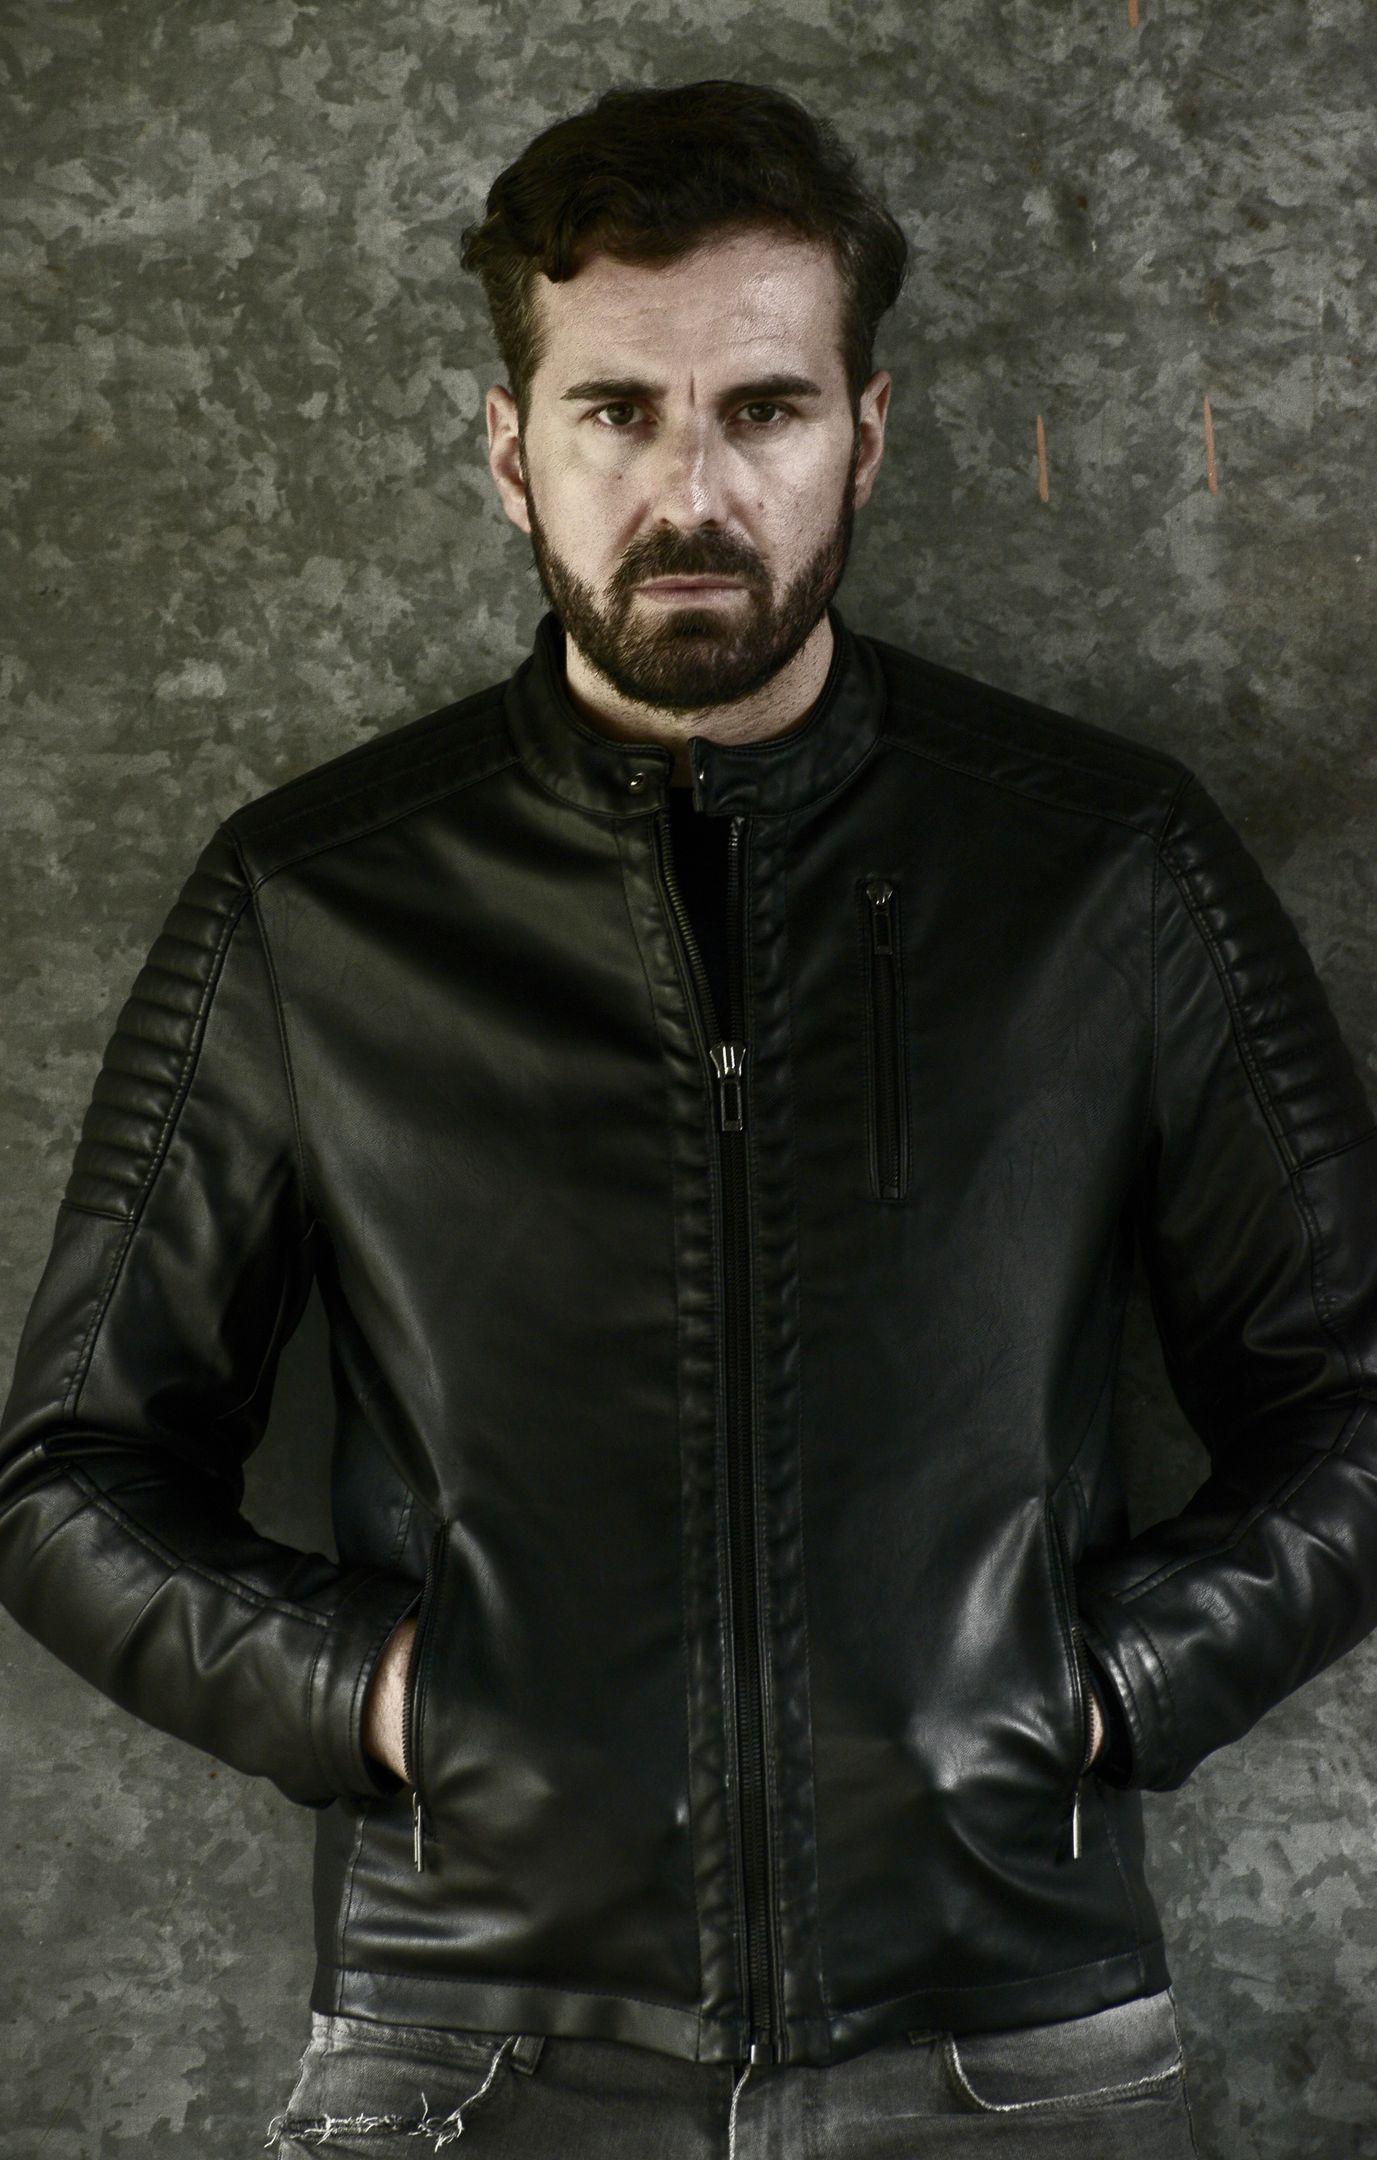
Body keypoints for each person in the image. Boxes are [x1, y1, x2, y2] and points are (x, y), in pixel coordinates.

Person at [1, 75, 1374, 2160]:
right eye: (616, 412)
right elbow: (66, 1473)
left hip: (1011, 2037)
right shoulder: (315, 900)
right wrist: (400, 1707)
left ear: (864, 435)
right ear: (509, 451)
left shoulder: (1101, 868)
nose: (689, 492)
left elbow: (1350, 1399)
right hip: (469, 2042)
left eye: (762, 410)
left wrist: (1092, 1694)